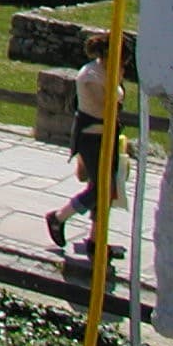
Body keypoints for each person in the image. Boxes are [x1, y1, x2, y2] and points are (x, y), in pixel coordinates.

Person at [47, 32, 127, 255]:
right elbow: (106, 105)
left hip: (107, 136)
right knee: (101, 190)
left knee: (108, 191)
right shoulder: (90, 76)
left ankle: (96, 240)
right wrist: (116, 80)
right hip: (92, 138)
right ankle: (58, 217)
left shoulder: (107, 72)